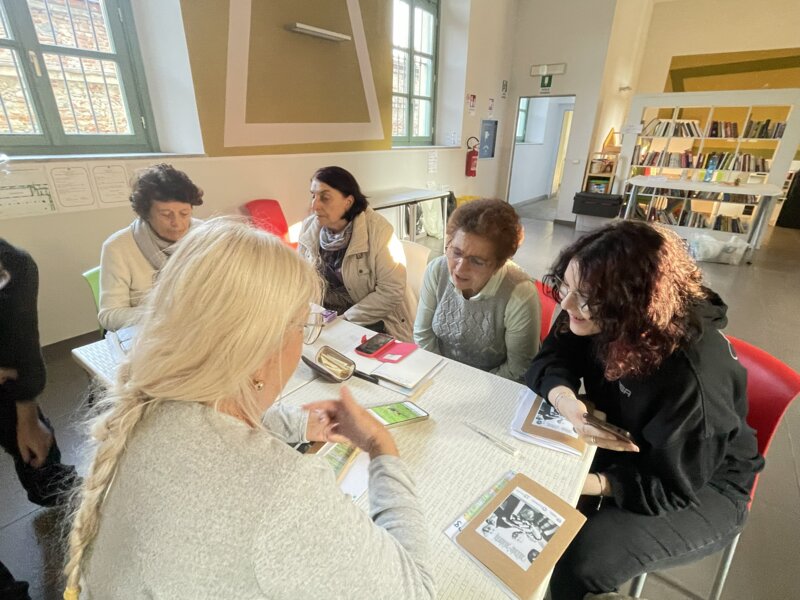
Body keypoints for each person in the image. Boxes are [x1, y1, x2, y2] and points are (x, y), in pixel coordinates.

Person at [63, 218, 434, 599]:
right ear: (258, 352)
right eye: (302, 324)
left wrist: (299, 423)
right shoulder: (285, 491)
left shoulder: (145, 410)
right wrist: (381, 447)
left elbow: (209, 430)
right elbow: (415, 591)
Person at [524, 220, 764, 600]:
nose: (566, 304)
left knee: (583, 561)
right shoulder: (596, 308)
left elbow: (673, 486)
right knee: (524, 463)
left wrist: (587, 483)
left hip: (700, 484)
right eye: (565, 286)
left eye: (585, 297)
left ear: (633, 305)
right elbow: (552, 357)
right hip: (630, 439)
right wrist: (567, 403)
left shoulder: (692, 378)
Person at [1, 239, 78, 600]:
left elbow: (20, 341)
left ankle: (54, 487)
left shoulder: (15, 264)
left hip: (6, 377)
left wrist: (27, 413)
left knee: (37, 447)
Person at [414, 199, 541, 382]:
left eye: (477, 261)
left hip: (496, 385)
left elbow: (518, 368)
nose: (460, 269)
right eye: (456, 252)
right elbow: (423, 334)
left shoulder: (520, 293)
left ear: (498, 265)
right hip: (440, 375)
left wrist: (469, 387)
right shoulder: (437, 270)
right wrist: (443, 378)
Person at [298, 166, 414, 340]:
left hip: (368, 319)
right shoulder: (309, 227)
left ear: (348, 202)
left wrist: (345, 320)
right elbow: (300, 278)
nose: (314, 205)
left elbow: (391, 291)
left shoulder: (379, 231)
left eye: (325, 197)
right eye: (313, 195)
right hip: (325, 319)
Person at [98, 163, 203, 331]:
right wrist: (165, 314)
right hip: (150, 332)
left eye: (184, 213)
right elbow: (109, 315)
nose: (177, 223)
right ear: (145, 214)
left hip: (199, 327)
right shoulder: (118, 248)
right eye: (166, 214)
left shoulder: (205, 235)